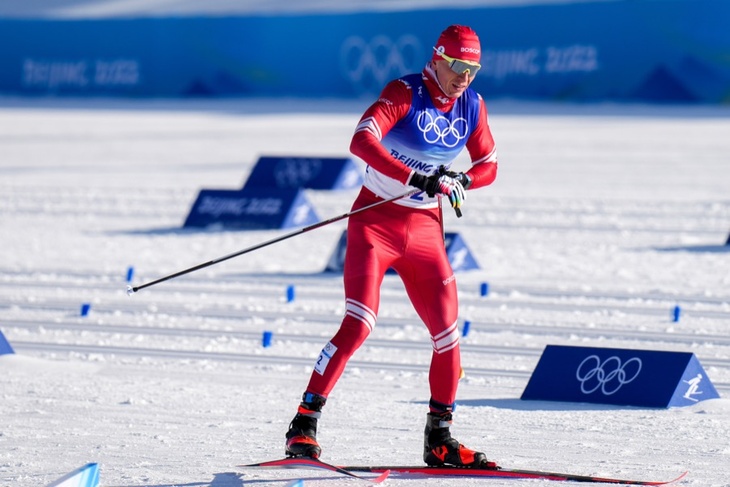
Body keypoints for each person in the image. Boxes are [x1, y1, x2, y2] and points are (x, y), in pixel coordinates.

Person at [285, 24, 499, 468]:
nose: (465, 78)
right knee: (359, 323)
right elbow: (360, 140)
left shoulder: (472, 106)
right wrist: (416, 176)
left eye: (474, 70)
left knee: (448, 335)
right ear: (437, 58)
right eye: (458, 67)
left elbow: (489, 165)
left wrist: (463, 178)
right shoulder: (404, 92)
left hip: (424, 231)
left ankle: (439, 438)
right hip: (375, 222)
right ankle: (303, 425)